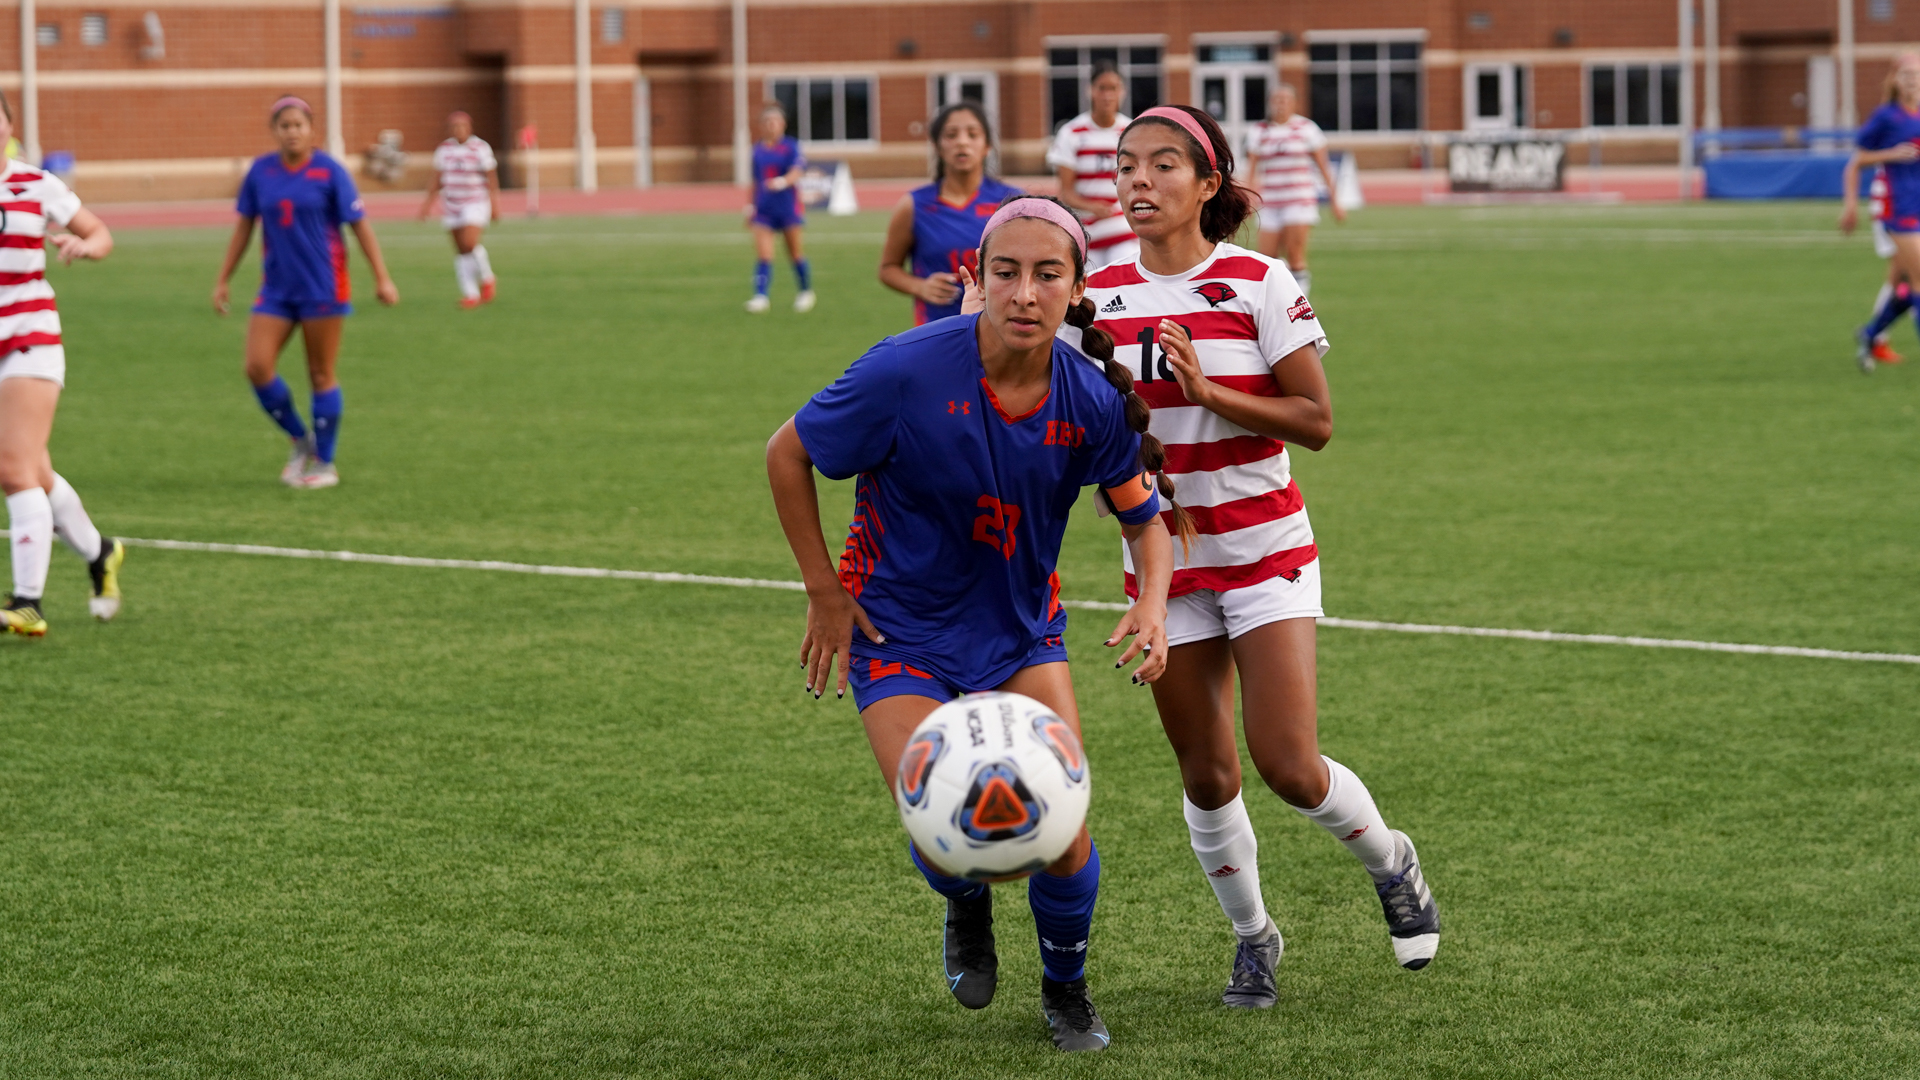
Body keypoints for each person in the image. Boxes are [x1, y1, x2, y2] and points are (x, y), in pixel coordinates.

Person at [767, 196, 1185, 1052]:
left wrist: (1151, 602)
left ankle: (1066, 989)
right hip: (898, 633)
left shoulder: (1092, 399)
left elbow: (1146, 520)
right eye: (1006, 272)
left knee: (1063, 831)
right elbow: (789, 451)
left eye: (1047, 275)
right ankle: (965, 903)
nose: (1025, 293)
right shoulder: (906, 369)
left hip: (1020, 635)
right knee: (946, 828)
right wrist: (824, 590)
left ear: (1077, 289)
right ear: (978, 278)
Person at [1086, 104, 1440, 1008]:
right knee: (1207, 775)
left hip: (1265, 550)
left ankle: (1391, 861)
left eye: (1163, 164)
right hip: (1166, 569)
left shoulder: (1258, 281)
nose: (1138, 180)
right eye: (1127, 165)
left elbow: (1316, 422)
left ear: (1209, 183)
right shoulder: (1094, 295)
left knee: (1287, 763)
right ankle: (1254, 939)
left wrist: (1209, 392)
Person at [213, 96, 398, 489]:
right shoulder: (261, 171)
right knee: (257, 367)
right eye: (285, 126)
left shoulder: (330, 171)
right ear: (274, 131)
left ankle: (324, 463)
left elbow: (359, 225)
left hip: (323, 287)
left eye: (299, 125)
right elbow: (244, 226)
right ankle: (301, 439)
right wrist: (223, 277)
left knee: (320, 373)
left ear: (311, 129)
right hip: (276, 289)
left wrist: (382, 277)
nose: (292, 132)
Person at [0, 90, 127, 636]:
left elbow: (100, 233)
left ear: (9, 126)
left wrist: (84, 248)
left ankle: (28, 602)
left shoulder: (36, 184)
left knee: (12, 468)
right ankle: (101, 552)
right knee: (35, 470)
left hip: (30, 336)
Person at [877, 101, 1022, 325]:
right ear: (937, 146)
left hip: (999, 328)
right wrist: (920, 287)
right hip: (937, 330)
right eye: (951, 135)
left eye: (972, 134)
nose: (962, 142)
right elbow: (888, 269)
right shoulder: (914, 205)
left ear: (987, 146)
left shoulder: (1012, 202)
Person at [1843, 55, 1920, 372]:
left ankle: (1871, 334)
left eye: (1917, 74)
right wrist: (1891, 154)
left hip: (1917, 204)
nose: (1912, 80)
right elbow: (1856, 161)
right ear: (1895, 80)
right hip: (1897, 207)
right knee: (1918, 280)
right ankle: (1875, 337)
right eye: (1906, 74)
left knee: (1903, 282)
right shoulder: (1886, 117)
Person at [1244, 83, 1344, 299]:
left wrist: (1334, 199)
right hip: (1270, 201)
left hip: (1299, 201)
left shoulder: (1307, 129)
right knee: (1266, 257)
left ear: (1294, 103)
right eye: (1277, 99)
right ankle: (1275, 299)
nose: (1281, 104)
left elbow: (1323, 166)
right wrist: (1248, 198)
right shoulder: (1259, 131)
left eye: (1285, 99)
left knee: (1295, 253)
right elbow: (1252, 168)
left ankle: (1300, 301)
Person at [1047, 62, 1137, 270]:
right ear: (1090, 90)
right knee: (1089, 288)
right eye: (1102, 88)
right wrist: (1092, 207)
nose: (1107, 95)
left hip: (1123, 233)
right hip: (1087, 236)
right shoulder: (1071, 133)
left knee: (1125, 280)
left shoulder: (1132, 131)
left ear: (1122, 92)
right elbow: (1066, 193)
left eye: (1113, 88)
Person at [418, 110, 500, 309]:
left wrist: (495, 204)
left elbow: (491, 177)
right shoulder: (444, 149)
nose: (458, 130)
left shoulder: (480, 147)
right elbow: (437, 178)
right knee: (460, 250)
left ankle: (487, 277)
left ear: (469, 127)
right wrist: (427, 205)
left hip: (475, 201)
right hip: (451, 203)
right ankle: (470, 294)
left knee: (469, 243)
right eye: (454, 126)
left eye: (462, 126)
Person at [746, 103, 814, 314]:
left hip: (787, 207)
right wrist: (750, 206)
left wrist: (782, 182)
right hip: (764, 209)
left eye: (775, 121)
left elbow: (797, 171)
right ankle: (761, 296)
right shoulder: (757, 150)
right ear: (761, 125)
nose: (771, 125)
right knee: (764, 255)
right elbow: (756, 181)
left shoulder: (791, 146)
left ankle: (805, 291)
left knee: (795, 253)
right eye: (767, 121)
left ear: (783, 124)